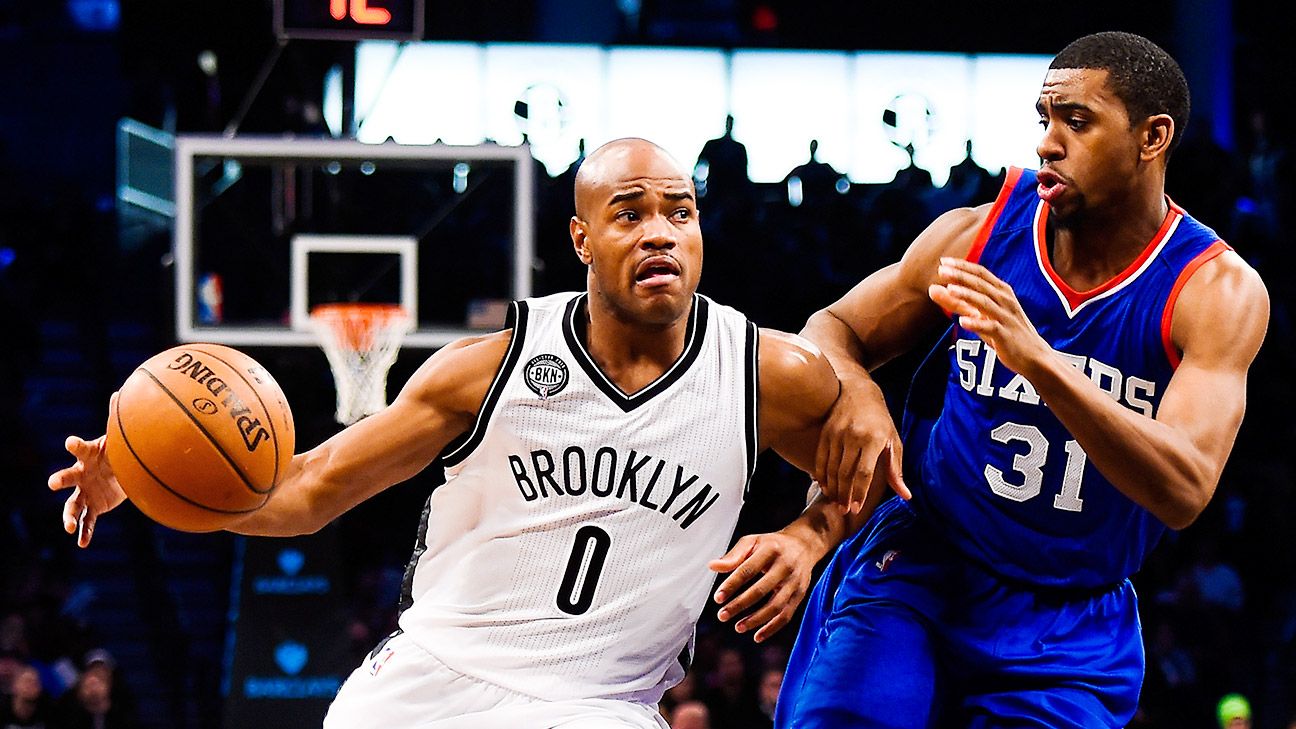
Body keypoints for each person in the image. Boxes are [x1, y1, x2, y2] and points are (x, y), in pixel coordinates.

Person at [49, 138, 868, 729]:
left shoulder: (765, 373)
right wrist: (142, 477)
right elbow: (303, 490)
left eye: (679, 212)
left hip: (599, 705)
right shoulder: (489, 367)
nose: (660, 231)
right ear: (581, 239)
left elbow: (875, 465)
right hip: (431, 682)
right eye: (629, 214)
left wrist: (808, 532)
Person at [778, 31, 1270, 728]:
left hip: (1069, 620)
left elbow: (1185, 486)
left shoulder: (1214, 291)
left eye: (1076, 120)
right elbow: (834, 327)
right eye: (1044, 119)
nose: (1047, 142)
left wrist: (1039, 358)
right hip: (926, 564)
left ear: (1151, 136)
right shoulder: (977, 234)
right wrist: (863, 399)